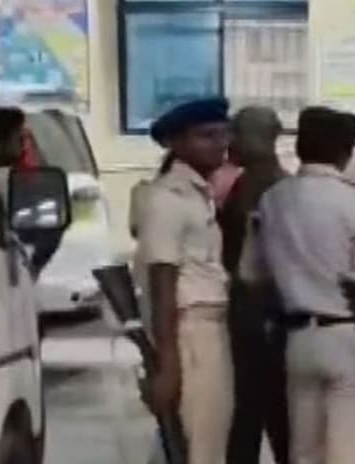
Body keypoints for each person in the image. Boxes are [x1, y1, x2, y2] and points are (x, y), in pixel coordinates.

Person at [256, 107, 355, 464]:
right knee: (353, 453)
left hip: (296, 342)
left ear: (299, 146)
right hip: (349, 341)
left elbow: (254, 274)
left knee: (305, 453)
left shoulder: (272, 200)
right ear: (346, 152)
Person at [134, 97, 234, 464]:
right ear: (175, 143)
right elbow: (162, 282)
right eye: (206, 136)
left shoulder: (198, 194)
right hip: (191, 331)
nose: (220, 143)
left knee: (203, 441)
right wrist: (169, 365)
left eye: (223, 134)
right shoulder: (168, 198)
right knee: (200, 446)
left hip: (208, 328)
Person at [218, 106, 290, 464]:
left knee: (254, 411)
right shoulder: (256, 182)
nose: (230, 142)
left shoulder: (266, 188)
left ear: (257, 138)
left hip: (259, 315)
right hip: (260, 315)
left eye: (237, 134)